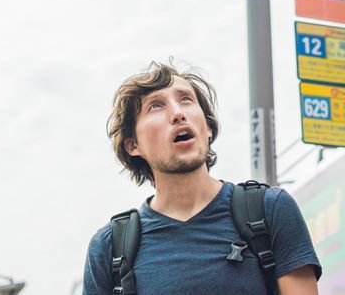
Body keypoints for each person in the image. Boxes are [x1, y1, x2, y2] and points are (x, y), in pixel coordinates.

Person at [82, 62, 322, 294]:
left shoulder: (271, 209)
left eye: (186, 99)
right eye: (155, 106)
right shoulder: (109, 247)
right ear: (133, 144)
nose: (178, 113)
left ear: (207, 128)